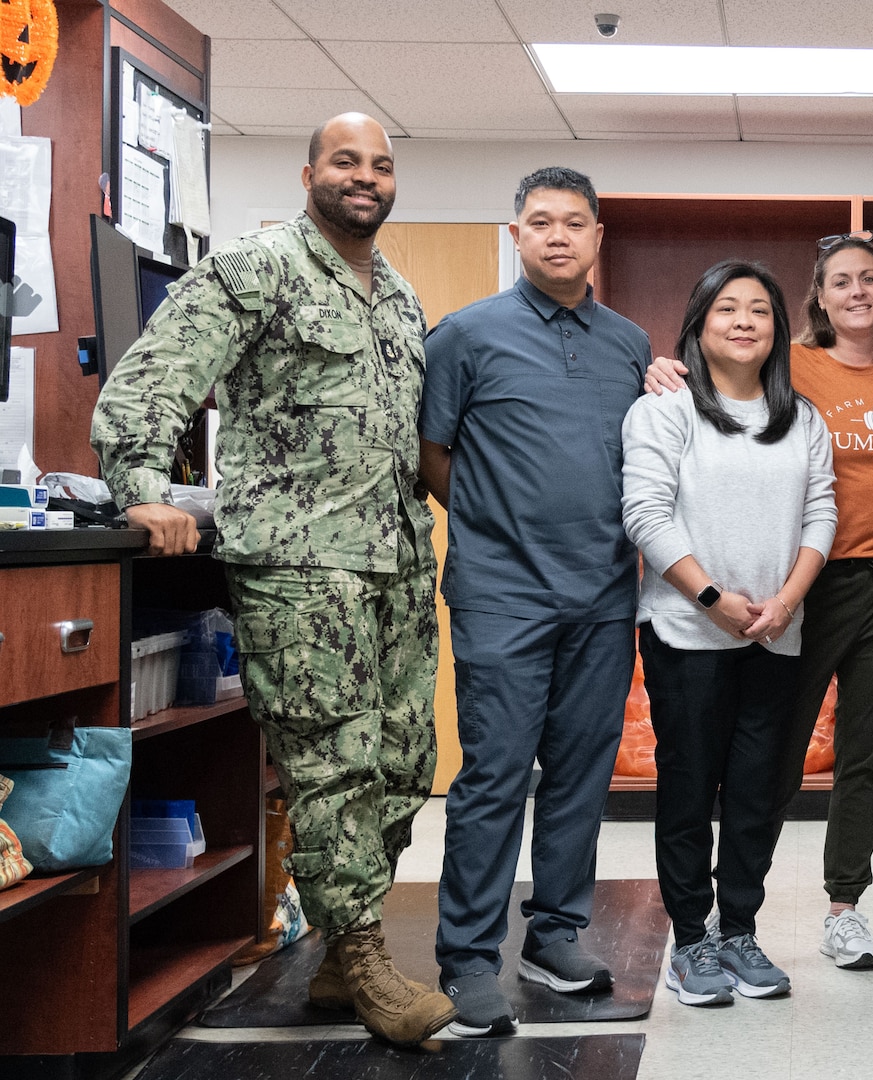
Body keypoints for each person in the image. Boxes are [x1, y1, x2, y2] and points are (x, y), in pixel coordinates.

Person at [91, 113, 455, 1047]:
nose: (365, 177)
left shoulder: (399, 298)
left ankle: (336, 955)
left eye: (381, 165)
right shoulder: (257, 269)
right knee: (333, 761)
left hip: (396, 561)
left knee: (404, 761)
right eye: (346, 161)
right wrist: (142, 489)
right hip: (300, 565)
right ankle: (364, 958)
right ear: (309, 174)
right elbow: (153, 377)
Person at [643, 234, 873, 972]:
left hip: (856, 591)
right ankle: (712, 925)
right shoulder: (765, 373)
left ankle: (812, 912)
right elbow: (651, 501)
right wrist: (661, 367)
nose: (858, 291)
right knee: (749, 767)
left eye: (870, 278)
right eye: (841, 281)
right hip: (768, 599)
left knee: (838, 758)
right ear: (818, 299)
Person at [419, 167, 653, 1037]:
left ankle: (554, 936)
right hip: (502, 597)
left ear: (597, 238)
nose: (559, 236)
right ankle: (468, 959)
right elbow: (431, 452)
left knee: (580, 778)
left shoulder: (630, 344)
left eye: (575, 222)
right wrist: (495, 524)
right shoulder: (465, 337)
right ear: (516, 234)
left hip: (604, 596)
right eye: (541, 222)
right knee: (494, 777)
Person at [622, 260, 837, 1006]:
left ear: (779, 329)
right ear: (699, 323)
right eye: (727, 308)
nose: (744, 321)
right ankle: (690, 940)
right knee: (688, 788)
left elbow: (822, 514)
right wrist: (712, 598)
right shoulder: (665, 409)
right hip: (687, 632)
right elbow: (645, 514)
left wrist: (786, 602)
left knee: (755, 792)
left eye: (760, 310)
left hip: (775, 634)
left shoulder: (802, 419)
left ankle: (739, 929)